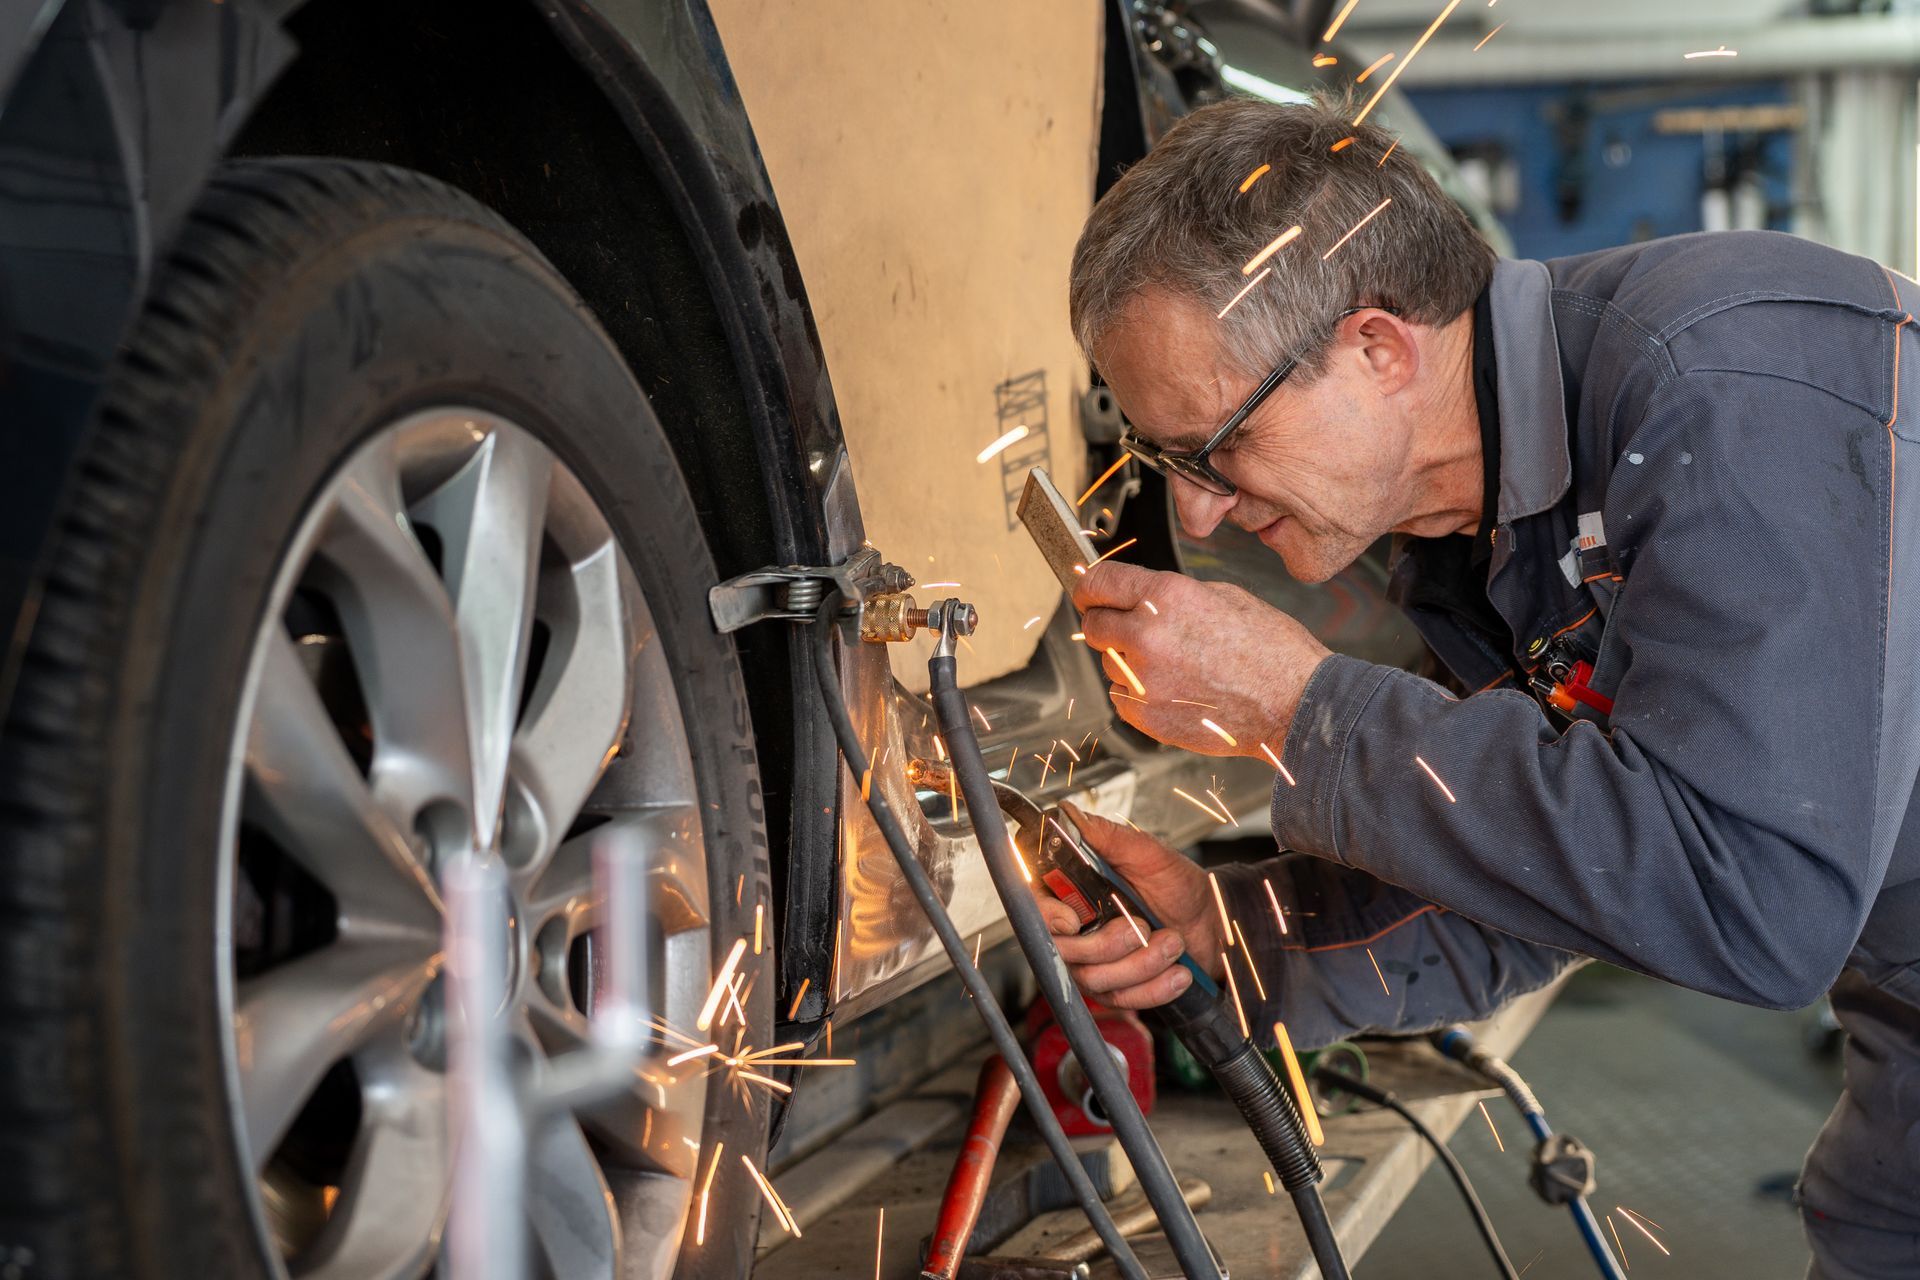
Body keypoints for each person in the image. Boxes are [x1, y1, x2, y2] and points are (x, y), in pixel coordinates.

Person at [1043, 95, 1920, 1279]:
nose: (1196, 511)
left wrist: (1301, 708)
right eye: (1163, 460)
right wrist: (1241, 926)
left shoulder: (1722, 386)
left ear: (1377, 348)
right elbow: (1559, 869)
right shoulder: (1475, 536)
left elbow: (1757, 900)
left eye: (1216, 446)